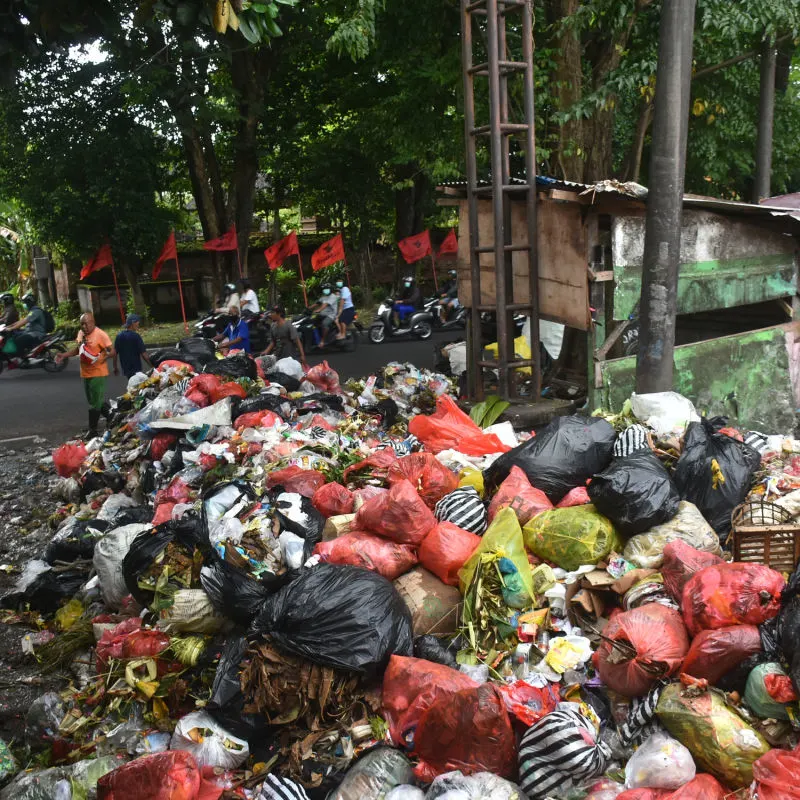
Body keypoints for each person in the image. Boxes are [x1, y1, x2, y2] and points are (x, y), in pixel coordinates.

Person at [55, 313, 114, 438]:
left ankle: (92, 430)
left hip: (98, 372)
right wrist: (64, 355)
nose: (84, 326)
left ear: (93, 322)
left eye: (86, 323)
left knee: (94, 404)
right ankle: (112, 416)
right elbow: (78, 349)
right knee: (94, 400)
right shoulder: (81, 334)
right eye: (82, 323)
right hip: (86, 373)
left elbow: (112, 351)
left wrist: (106, 357)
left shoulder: (101, 335)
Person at [113, 314, 153, 378]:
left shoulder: (119, 336)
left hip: (126, 369)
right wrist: (152, 366)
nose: (138, 325)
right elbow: (144, 355)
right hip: (136, 369)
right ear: (132, 323)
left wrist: (115, 367)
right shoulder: (136, 336)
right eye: (137, 323)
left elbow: (114, 353)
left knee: (131, 385)